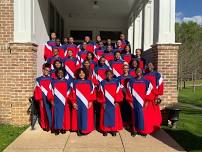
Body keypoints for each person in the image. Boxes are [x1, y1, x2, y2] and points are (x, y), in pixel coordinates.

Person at [126, 68, 154, 136]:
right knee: (134, 117)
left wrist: (146, 103)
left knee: (143, 117)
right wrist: (130, 103)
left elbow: (149, 93)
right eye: (137, 71)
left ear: (142, 72)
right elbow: (128, 93)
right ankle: (134, 130)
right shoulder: (131, 81)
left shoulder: (146, 82)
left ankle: (142, 131)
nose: (138, 72)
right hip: (134, 102)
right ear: (135, 72)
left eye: (140, 71)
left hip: (143, 103)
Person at [70, 68, 96, 135]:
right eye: (80, 73)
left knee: (87, 116)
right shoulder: (75, 82)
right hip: (77, 102)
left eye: (83, 73)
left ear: (86, 74)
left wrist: (90, 101)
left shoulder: (89, 82)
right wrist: (73, 102)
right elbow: (72, 93)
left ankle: (86, 130)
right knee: (78, 116)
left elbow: (92, 92)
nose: (81, 74)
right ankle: (78, 129)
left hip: (87, 102)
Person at [97, 70, 123, 136]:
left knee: (114, 116)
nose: (109, 75)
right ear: (105, 75)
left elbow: (119, 92)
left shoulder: (116, 82)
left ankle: (113, 130)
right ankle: (105, 130)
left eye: (110, 74)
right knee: (105, 116)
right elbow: (100, 93)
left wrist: (117, 101)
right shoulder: (102, 82)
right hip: (105, 103)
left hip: (114, 103)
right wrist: (103, 102)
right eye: (107, 74)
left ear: (112, 75)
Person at [144, 62, 164, 132]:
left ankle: (154, 128)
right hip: (146, 97)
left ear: (153, 66)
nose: (149, 66)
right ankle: (147, 128)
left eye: (150, 65)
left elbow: (160, 85)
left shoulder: (157, 74)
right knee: (146, 114)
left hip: (154, 97)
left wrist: (158, 95)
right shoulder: (145, 75)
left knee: (154, 113)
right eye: (148, 65)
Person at [51, 68, 72, 134]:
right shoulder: (53, 81)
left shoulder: (67, 82)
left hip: (65, 101)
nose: (60, 74)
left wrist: (67, 100)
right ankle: (57, 128)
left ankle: (63, 128)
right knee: (57, 115)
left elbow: (70, 92)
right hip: (56, 101)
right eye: (59, 73)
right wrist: (51, 100)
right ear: (56, 73)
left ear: (64, 74)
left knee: (64, 115)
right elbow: (50, 92)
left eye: (62, 73)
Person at [34, 63, 53, 131]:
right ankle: (44, 126)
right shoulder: (38, 79)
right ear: (43, 70)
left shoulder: (52, 79)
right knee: (43, 112)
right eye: (45, 70)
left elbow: (52, 89)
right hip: (42, 98)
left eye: (48, 70)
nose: (46, 71)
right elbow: (37, 90)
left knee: (50, 112)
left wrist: (52, 99)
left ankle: (50, 126)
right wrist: (39, 99)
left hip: (50, 98)